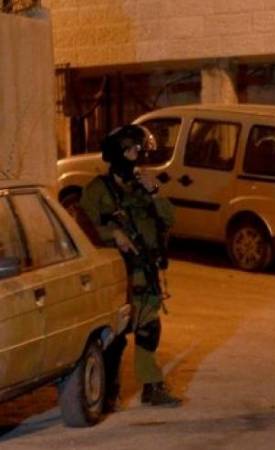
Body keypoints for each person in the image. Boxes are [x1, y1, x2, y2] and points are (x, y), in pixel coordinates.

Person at [79, 124, 181, 410]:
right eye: (134, 150)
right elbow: (82, 230)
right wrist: (112, 234)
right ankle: (107, 393)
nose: (139, 155)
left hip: (144, 271)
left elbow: (170, 220)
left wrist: (155, 192)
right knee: (114, 336)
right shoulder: (97, 191)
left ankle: (152, 386)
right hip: (116, 274)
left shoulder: (142, 187)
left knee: (149, 329)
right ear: (119, 152)